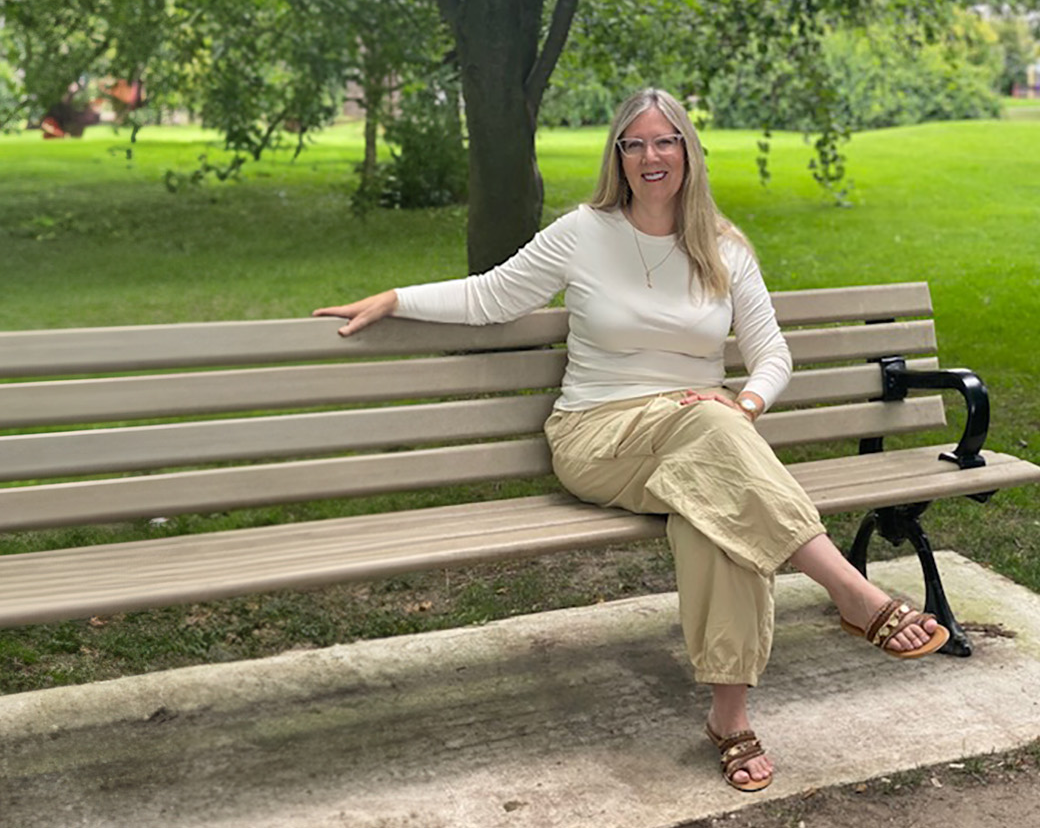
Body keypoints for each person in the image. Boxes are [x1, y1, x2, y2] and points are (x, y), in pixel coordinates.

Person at [313, 88, 948, 793]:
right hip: (597, 436)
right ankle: (853, 593)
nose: (651, 156)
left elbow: (772, 353)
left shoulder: (725, 247)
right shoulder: (583, 233)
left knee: (714, 507)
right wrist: (396, 299)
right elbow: (490, 296)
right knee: (715, 441)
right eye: (635, 143)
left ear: (688, 151)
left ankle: (730, 720)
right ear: (618, 156)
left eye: (665, 140)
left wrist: (747, 404)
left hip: (703, 436)